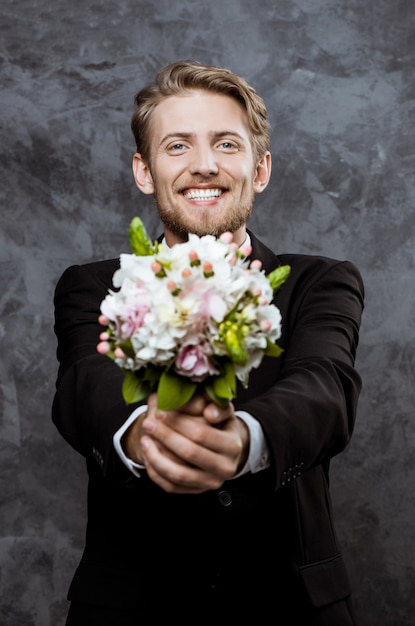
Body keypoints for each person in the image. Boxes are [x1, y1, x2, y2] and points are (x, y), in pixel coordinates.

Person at [52, 60, 364, 625]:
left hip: (291, 607)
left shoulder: (320, 281)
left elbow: (325, 387)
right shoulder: (91, 286)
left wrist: (246, 440)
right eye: (177, 146)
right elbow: (85, 386)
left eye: (226, 143)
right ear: (144, 171)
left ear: (260, 168)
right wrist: (147, 436)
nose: (204, 165)